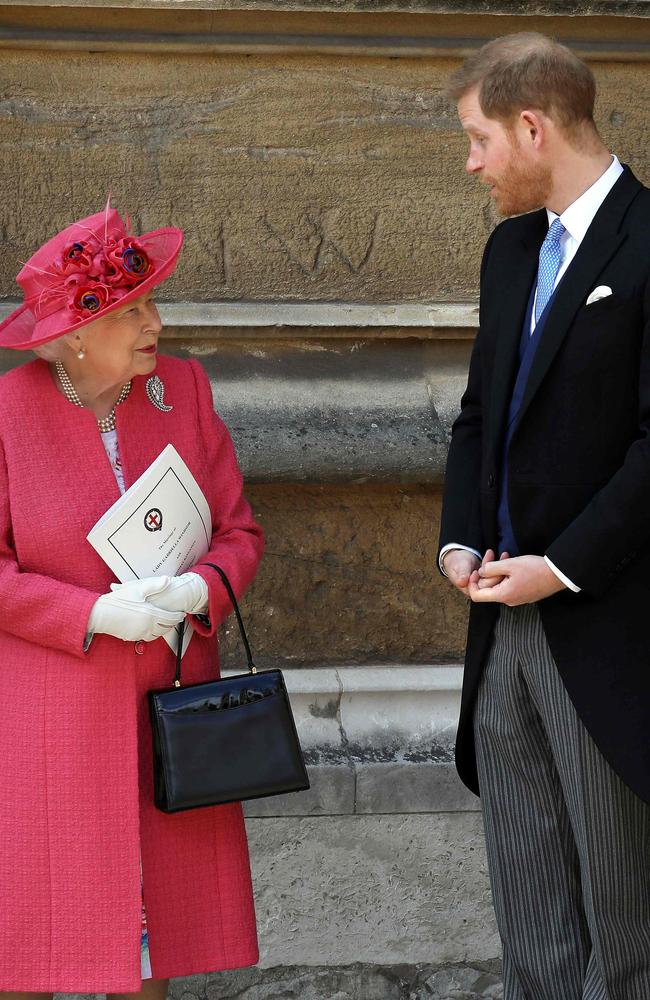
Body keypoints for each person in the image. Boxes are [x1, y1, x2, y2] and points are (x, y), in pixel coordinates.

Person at [0, 206, 264, 997]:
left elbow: (239, 532)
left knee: (149, 956)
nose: (157, 323)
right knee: (28, 950)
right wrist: (88, 614)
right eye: (134, 309)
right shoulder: (9, 413)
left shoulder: (180, 387)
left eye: (152, 303)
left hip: (166, 715)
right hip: (48, 727)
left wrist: (200, 588)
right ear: (78, 332)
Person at [438, 32, 650, 1000]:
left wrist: (559, 565)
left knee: (623, 915)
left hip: (605, 623)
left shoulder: (646, 243)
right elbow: (481, 414)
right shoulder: (508, 248)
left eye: (479, 138)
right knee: (524, 889)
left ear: (532, 126)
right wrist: (456, 535)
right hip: (499, 617)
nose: (473, 160)